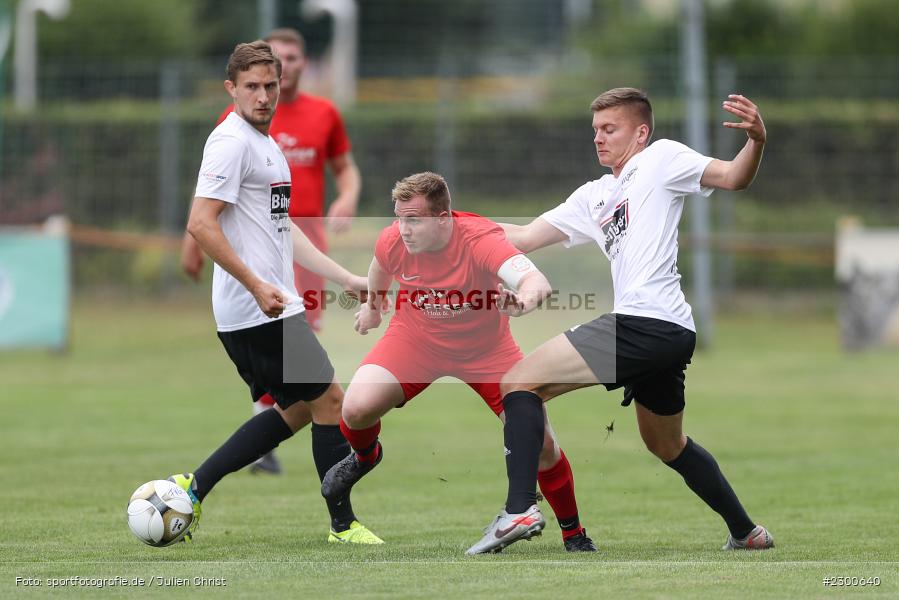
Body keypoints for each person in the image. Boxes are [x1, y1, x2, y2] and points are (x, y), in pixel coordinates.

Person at [466, 88, 774, 554]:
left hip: (647, 322)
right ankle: (746, 533)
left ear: (641, 132)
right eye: (595, 131)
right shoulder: (595, 195)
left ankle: (519, 510)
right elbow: (524, 237)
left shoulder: (662, 159)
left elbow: (733, 177)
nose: (599, 138)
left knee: (517, 383)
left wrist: (756, 141)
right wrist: (453, 226)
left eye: (610, 129)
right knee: (667, 445)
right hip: (667, 333)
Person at [168, 40, 381, 545]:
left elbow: (285, 231)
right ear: (231, 89)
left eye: (270, 86)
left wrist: (342, 276)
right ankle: (343, 526)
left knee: (302, 409)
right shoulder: (231, 142)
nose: (263, 96)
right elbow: (200, 224)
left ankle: (194, 487)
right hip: (255, 309)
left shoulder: (267, 145)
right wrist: (256, 284)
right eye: (251, 87)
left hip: (271, 304)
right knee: (331, 399)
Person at [319, 172, 597, 552]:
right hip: (414, 340)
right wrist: (372, 308)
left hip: (486, 351)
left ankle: (574, 534)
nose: (404, 229)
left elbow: (537, 283)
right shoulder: (394, 239)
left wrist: (522, 302)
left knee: (542, 443)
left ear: (444, 218)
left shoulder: (480, 239)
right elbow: (380, 265)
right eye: (399, 218)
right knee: (355, 408)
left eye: (414, 219)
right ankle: (365, 456)